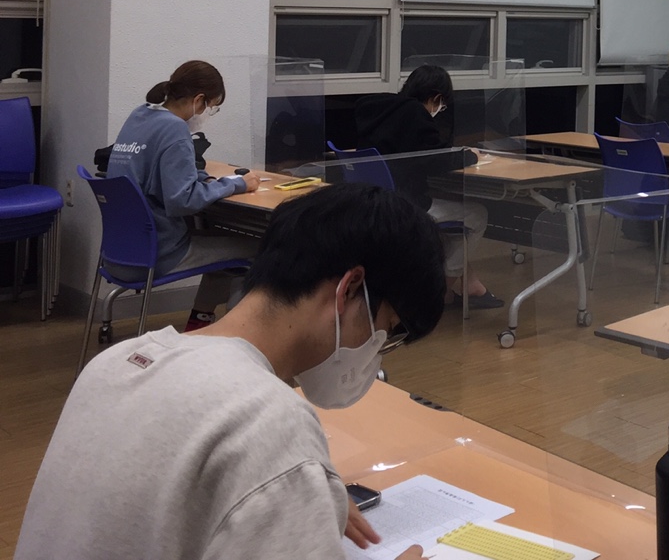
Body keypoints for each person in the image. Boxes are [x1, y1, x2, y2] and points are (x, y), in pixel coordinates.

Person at [17, 183, 447, 560]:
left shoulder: (117, 361)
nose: (375, 354)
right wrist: (290, 480)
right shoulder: (269, 422)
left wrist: (293, 499)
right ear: (349, 289)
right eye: (385, 330)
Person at [106, 60, 261, 331]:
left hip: (118, 253)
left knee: (219, 243)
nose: (206, 114)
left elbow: (158, 172)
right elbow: (183, 200)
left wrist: (200, 178)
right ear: (199, 100)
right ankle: (237, 336)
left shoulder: (140, 116)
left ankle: (198, 324)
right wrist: (236, 184)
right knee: (258, 250)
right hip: (158, 253)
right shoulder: (175, 129)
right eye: (211, 107)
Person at [355, 64, 501, 309]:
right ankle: (441, 292)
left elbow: (419, 153)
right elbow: (435, 160)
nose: (441, 109)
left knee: (451, 227)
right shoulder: (415, 114)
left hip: (373, 203)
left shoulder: (378, 111)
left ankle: (470, 284)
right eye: (442, 104)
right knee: (476, 215)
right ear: (436, 98)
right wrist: (470, 156)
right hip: (404, 207)